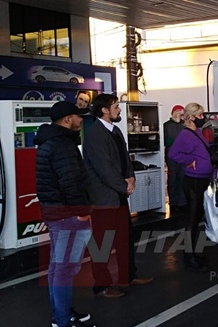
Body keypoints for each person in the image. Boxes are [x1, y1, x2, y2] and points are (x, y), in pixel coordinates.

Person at [83, 94, 153, 299]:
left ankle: (128, 276)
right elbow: (104, 168)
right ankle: (101, 286)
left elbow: (125, 158)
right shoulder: (95, 134)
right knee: (103, 243)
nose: (119, 109)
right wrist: (124, 186)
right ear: (104, 110)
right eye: (115, 106)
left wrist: (131, 178)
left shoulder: (115, 131)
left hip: (119, 195)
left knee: (124, 239)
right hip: (104, 197)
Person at [34, 101, 96, 327]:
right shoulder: (62, 144)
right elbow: (71, 181)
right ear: (68, 119)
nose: (81, 120)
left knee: (58, 265)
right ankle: (62, 320)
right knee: (65, 268)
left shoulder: (50, 140)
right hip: (67, 213)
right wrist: (82, 212)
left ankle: (61, 314)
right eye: (78, 116)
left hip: (54, 211)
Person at [168, 102, 213, 271]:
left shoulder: (197, 132)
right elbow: (173, 154)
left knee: (198, 217)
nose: (203, 118)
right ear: (192, 117)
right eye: (200, 115)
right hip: (193, 181)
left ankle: (193, 252)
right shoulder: (185, 134)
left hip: (202, 178)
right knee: (192, 219)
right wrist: (190, 162)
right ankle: (189, 256)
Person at [163, 104, 187, 214]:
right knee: (173, 178)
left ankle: (181, 202)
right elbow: (163, 141)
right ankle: (173, 202)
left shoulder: (185, 125)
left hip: (183, 155)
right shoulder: (166, 126)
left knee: (182, 178)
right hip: (172, 156)